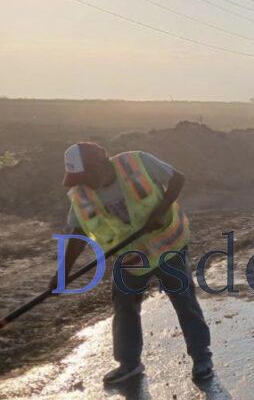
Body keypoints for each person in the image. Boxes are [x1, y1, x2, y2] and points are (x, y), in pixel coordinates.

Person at [53, 142, 213, 385]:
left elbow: (177, 178)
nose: (83, 183)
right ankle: (129, 363)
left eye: (86, 176)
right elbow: (78, 233)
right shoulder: (81, 195)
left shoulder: (136, 163)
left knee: (184, 300)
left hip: (166, 247)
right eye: (78, 178)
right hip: (130, 258)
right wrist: (62, 273)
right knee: (124, 305)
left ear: (100, 165)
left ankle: (201, 357)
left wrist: (160, 210)